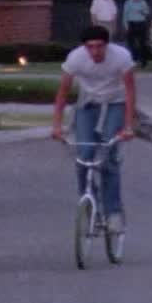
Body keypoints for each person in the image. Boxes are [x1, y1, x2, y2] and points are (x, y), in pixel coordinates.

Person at [52, 25, 137, 233]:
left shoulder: (121, 57)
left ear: (107, 45)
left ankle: (113, 212)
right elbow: (62, 92)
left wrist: (128, 126)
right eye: (90, 47)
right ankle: (90, 205)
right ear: (84, 47)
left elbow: (130, 91)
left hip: (115, 102)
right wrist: (57, 126)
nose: (95, 52)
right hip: (88, 103)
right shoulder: (76, 58)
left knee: (108, 155)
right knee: (84, 155)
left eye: (99, 46)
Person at [121, 0, 152, 68]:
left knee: (142, 43)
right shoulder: (128, 2)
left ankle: (143, 61)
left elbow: (147, 13)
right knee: (131, 44)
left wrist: (142, 11)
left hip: (141, 24)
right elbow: (125, 15)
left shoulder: (143, 2)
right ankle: (134, 59)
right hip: (132, 24)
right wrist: (126, 26)